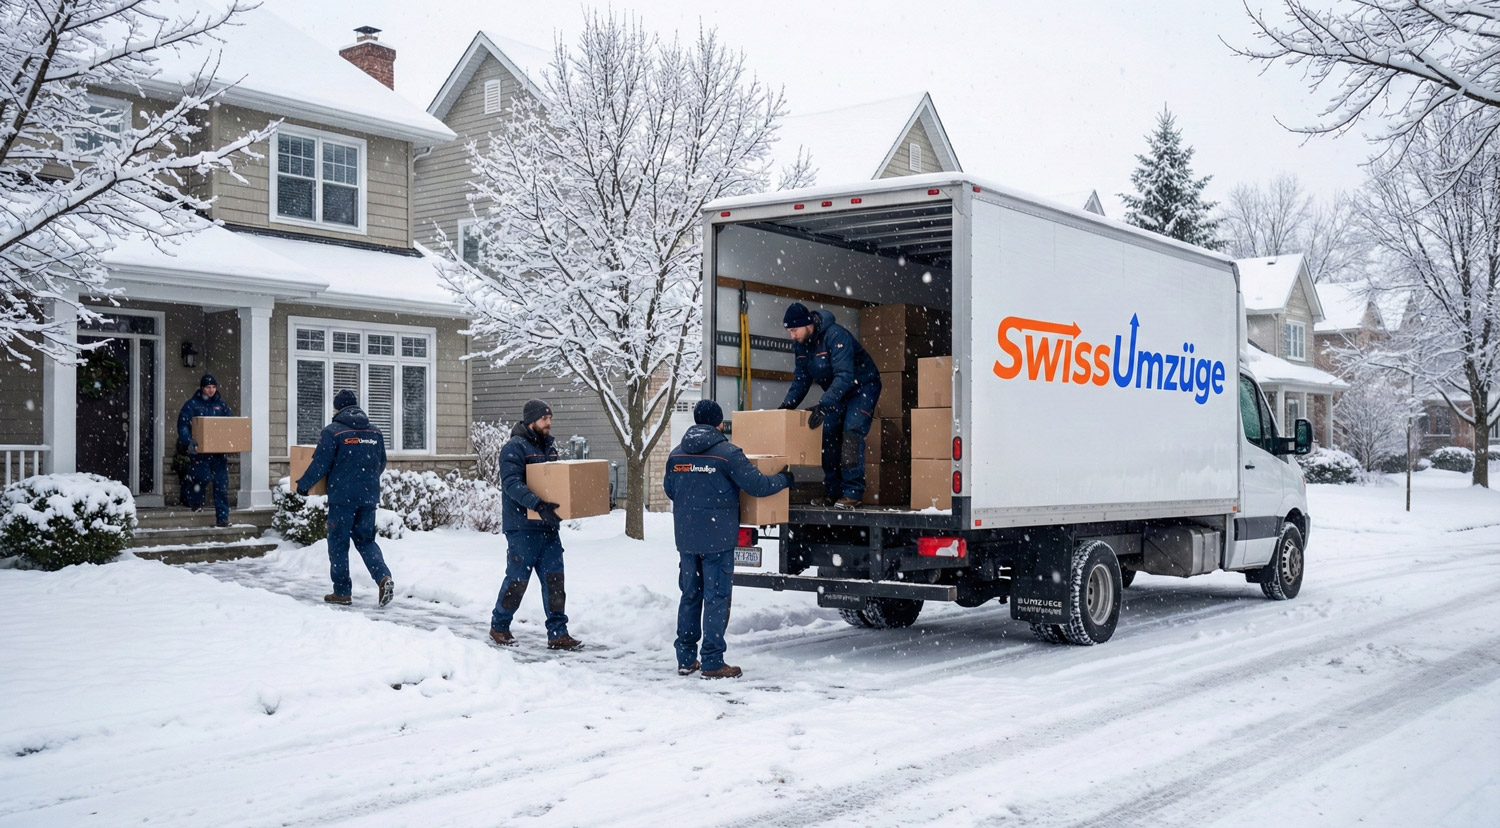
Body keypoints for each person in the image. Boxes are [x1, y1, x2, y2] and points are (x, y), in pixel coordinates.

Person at [663, 399, 793, 679]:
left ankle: (686, 659)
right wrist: (785, 480)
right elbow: (758, 486)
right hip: (717, 539)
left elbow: (670, 490)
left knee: (690, 595)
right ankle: (712, 661)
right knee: (716, 597)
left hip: (686, 539)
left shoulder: (677, 454)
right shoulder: (728, 454)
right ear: (719, 423)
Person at [489, 399, 583, 651]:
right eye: (544, 418)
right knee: (518, 580)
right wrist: (537, 504)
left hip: (548, 527)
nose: (549, 423)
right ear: (531, 420)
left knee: (555, 581)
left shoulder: (549, 447)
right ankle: (499, 626)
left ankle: (558, 633)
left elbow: (555, 483)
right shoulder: (514, 448)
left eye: (550, 418)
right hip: (522, 527)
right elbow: (512, 484)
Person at [296, 389, 394, 608]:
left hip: (342, 499)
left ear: (337, 408)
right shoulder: (375, 432)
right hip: (368, 498)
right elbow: (381, 463)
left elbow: (320, 463)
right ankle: (383, 577)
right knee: (366, 541)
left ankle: (342, 592)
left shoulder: (333, 432)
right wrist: (365, 482)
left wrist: (303, 485)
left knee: (338, 544)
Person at [779, 302, 882, 509]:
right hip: (838, 392)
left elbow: (844, 376)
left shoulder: (836, 336)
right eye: (789, 331)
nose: (792, 335)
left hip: (862, 388)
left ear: (808, 324)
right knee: (827, 433)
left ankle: (852, 493)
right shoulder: (801, 345)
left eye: (795, 330)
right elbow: (801, 379)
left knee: (851, 432)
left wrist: (824, 404)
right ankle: (833, 492)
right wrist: (786, 406)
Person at [176, 374, 234, 527]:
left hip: (218, 453)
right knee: (201, 477)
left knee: (221, 485)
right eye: (208, 387)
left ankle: (222, 518)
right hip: (200, 452)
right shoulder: (192, 405)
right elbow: (183, 425)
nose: (211, 390)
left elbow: (231, 425)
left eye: (214, 387)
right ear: (202, 388)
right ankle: (196, 500)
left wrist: (230, 443)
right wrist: (188, 441)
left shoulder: (222, 406)